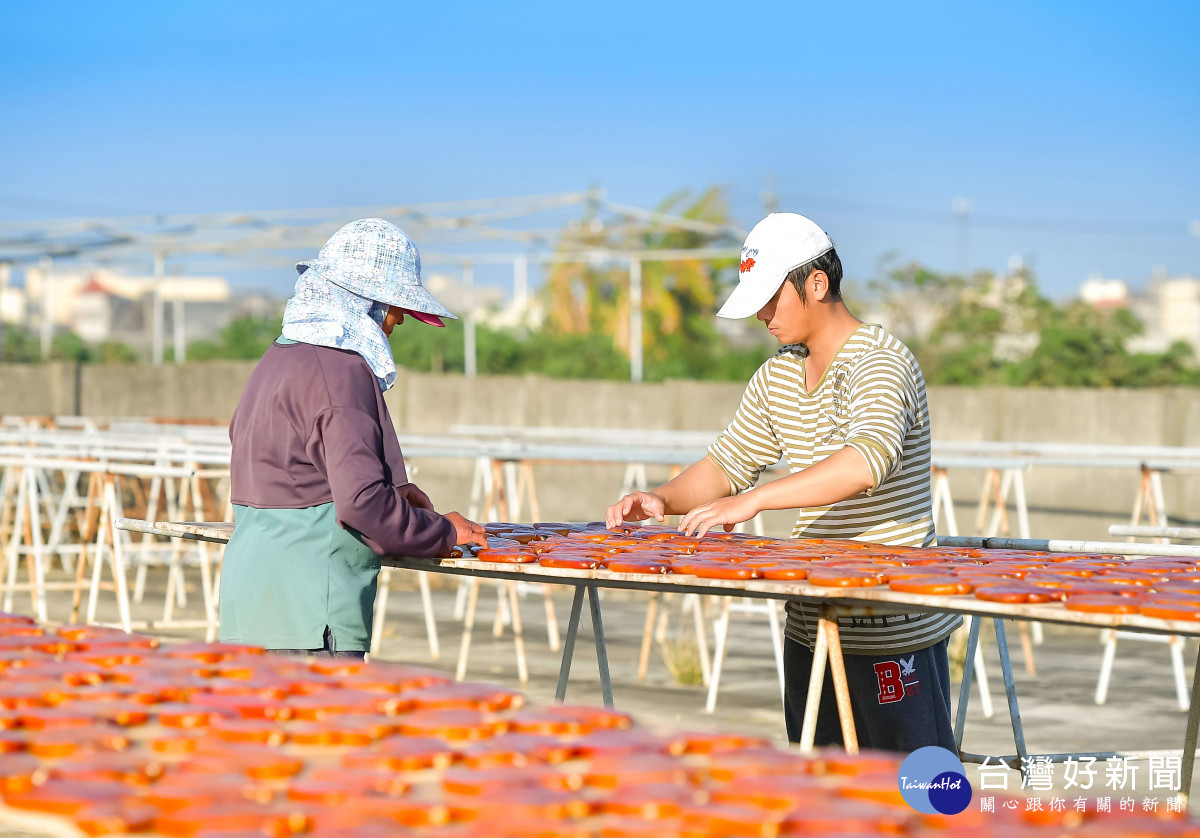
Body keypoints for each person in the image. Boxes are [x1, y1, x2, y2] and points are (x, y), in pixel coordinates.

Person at [606, 212, 959, 752]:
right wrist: (663, 498)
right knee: (821, 792)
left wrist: (751, 503)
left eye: (772, 298)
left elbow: (866, 462)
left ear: (816, 283)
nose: (763, 315)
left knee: (916, 793)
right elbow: (728, 462)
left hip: (891, 623)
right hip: (810, 621)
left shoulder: (882, 363)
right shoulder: (778, 374)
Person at [221, 218, 486, 658]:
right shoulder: (340, 372)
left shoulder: (279, 359)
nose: (396, 322)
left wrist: (396, 492)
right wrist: (444, 532)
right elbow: (362, 505)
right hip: (310, 622)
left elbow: (299, 477)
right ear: (368, 306)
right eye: (394, 312)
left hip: (250, 610)